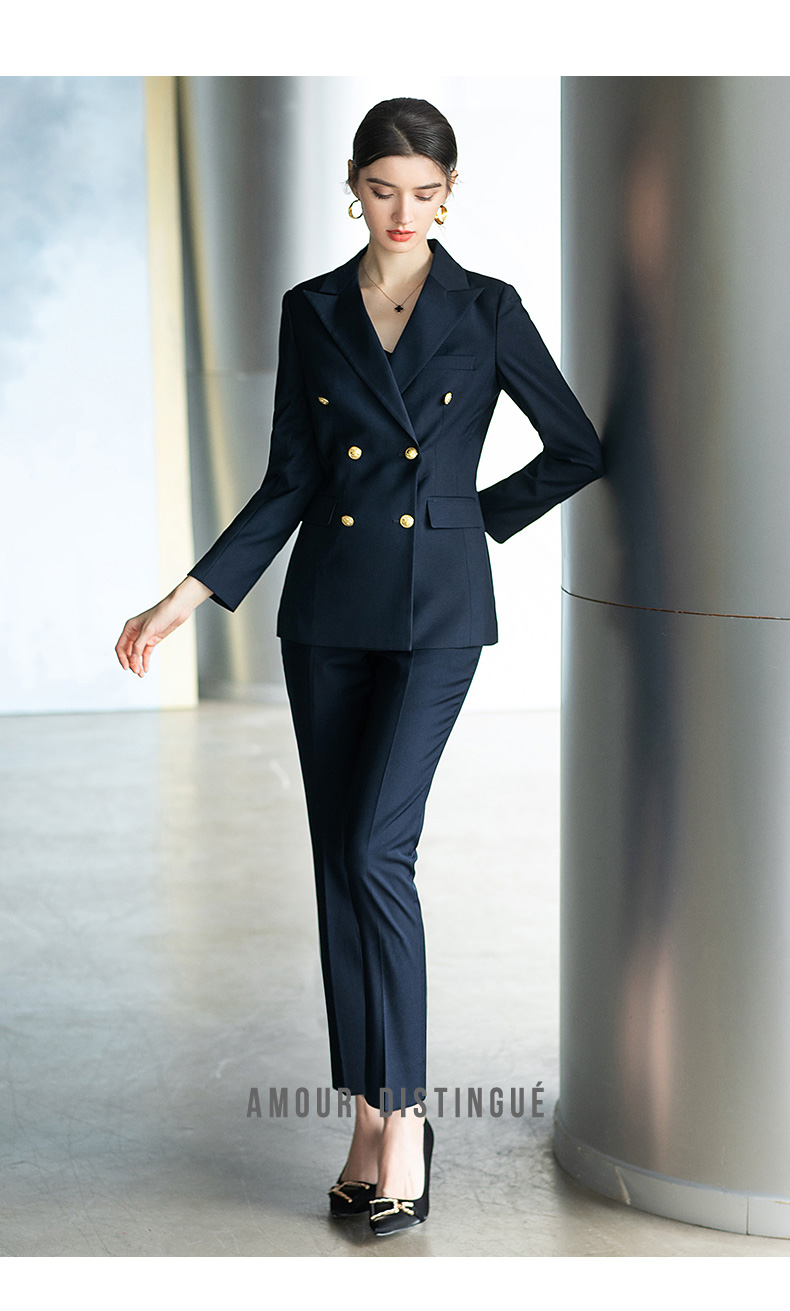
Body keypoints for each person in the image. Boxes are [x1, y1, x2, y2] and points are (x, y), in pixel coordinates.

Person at [115, 96, 604, 1236]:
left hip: (437, 617)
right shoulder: (313, 309)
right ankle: (365, 1118)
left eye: (424, 193)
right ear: (353, 185)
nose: (402, 212)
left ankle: (409, 1115)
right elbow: (291, 477)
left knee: (380, 849)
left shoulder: (487, 308)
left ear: (449, 194)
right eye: (383, 189)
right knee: (340, 858)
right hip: (327, 614)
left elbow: (574, 446)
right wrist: (186, 596)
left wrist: (464, 522)